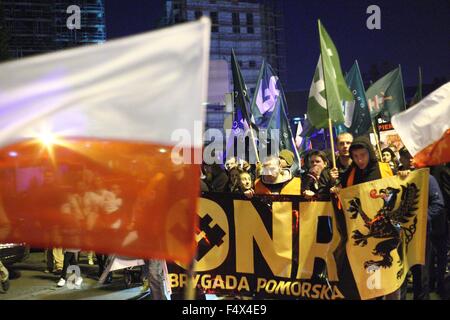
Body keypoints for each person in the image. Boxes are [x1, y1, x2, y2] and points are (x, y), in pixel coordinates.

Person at [398, 148, 446, 300]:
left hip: (422, 235)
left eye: (414, 157)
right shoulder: (395, 179)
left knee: (421, 275)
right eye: (407, 157)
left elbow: (438, 204)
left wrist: (421, 220)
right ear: (402, 160)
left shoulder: (428, 179)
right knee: (401, 276)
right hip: (401, 236)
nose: (411, 160)